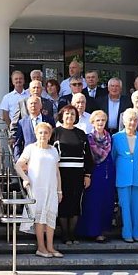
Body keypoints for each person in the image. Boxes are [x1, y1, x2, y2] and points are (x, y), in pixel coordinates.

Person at [15, 122, 64, 257]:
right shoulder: (31, 148)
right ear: (36, 134)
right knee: (39, 217)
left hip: (51, 187)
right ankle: (41, 248)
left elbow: (57, 171)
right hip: (37, 188)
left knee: (50, 217)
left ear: (50, 135)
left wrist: (59, 190)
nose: (43, 135)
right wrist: (25, 178)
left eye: (46, 133)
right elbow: (18, 165)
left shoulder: (53, 150)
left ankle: (50, 247)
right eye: (40, 132)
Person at [51, 104, 95, 244]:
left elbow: (88, 156)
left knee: (76, 203)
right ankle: (64, 235)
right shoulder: (55, 132)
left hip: (78, 174)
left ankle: (72, 234)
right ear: (62, 116)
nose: (70, 117)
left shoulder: (81, 133)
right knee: (63, 203)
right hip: (61, 174)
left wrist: (87, 175)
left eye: (72, 114)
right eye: (67, 114)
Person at [75, 110, 116, 243]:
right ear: (92, 122)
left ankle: (102, 231)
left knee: (106, 202)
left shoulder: (110, 138)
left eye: (103, 120)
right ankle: (91, 231)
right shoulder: (88, 138)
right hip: (93, 174)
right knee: (93, 203)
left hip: (108, 174)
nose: (100, 123)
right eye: (97, 120)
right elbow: (86, 158)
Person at [113, 108, 138, 242]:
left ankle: (137, 232)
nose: (132, 122)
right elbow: (113, 158)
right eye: (129, 120)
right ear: (124, 121)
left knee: (137, 206)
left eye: (135, 120)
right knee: (125, 206)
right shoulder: (116, 137)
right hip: (122, 176)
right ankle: (127, 233)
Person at [12, 95, 54, 161]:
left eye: (35, 103)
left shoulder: (49, 120)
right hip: (29, 159)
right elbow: (18, 143)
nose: (33, 105)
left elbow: (53, 139)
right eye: (31, 103)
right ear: (27, 107)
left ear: (41, 106)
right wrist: (18, 159)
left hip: (46, 157)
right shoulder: (22, 122)